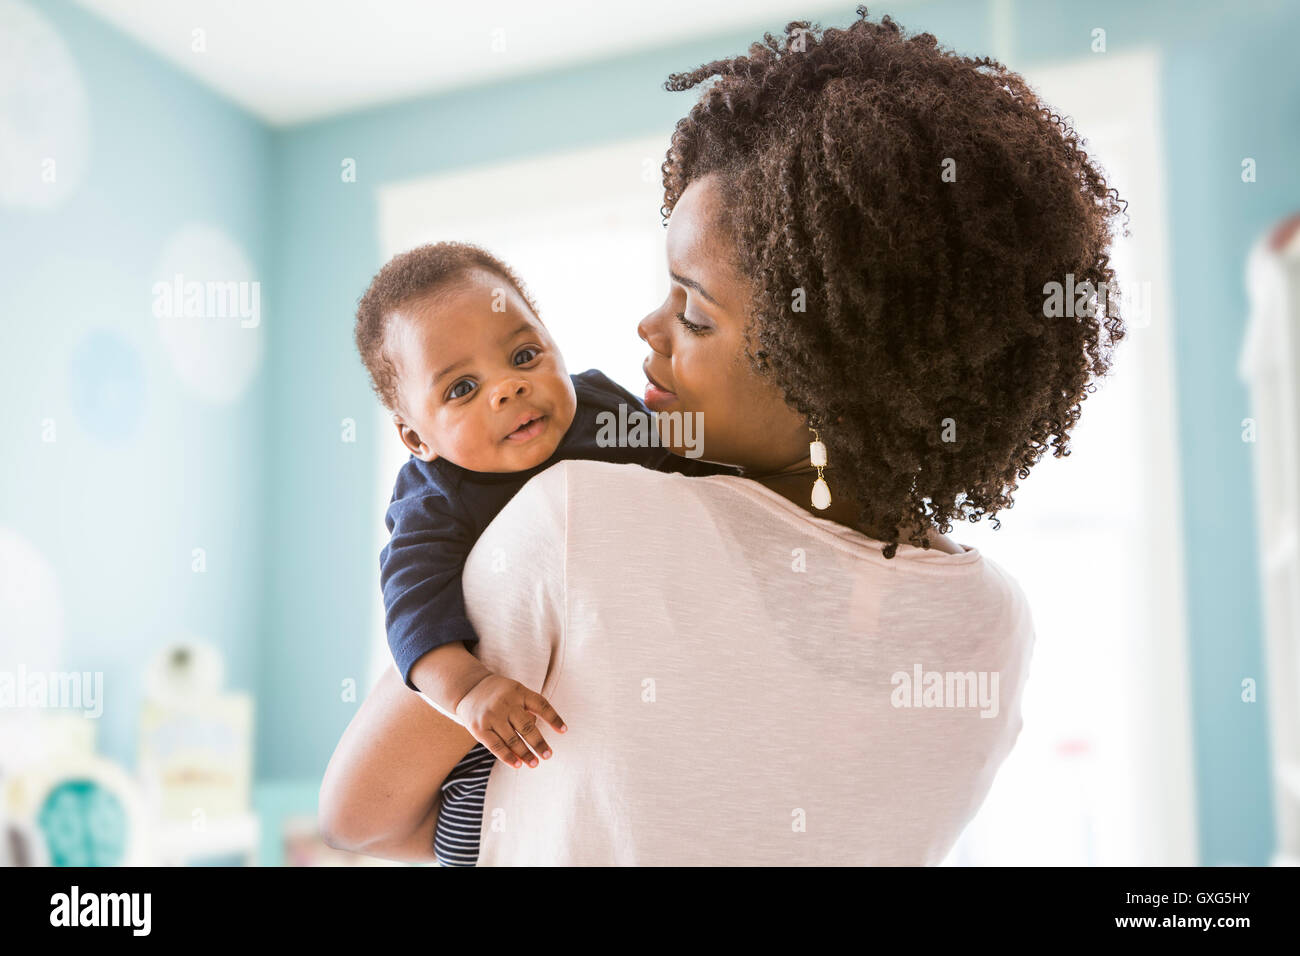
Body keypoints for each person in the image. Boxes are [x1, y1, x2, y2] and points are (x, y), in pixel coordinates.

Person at [319, 9, 1124, 865]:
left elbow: (357, 817)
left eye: (693, 313)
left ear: (830, 365)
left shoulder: (579, 520)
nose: (647, 329)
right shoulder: (995, 627)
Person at [352, 242, 737, 863]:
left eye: (525, 355)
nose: (507, 388)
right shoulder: (434, 494)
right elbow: (413, 613)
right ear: (416, 437)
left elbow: (686, 472)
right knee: (486, 825)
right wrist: (469, 692)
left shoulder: (603, 408)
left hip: (617, 685)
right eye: (463, 388)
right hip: (497, 732)